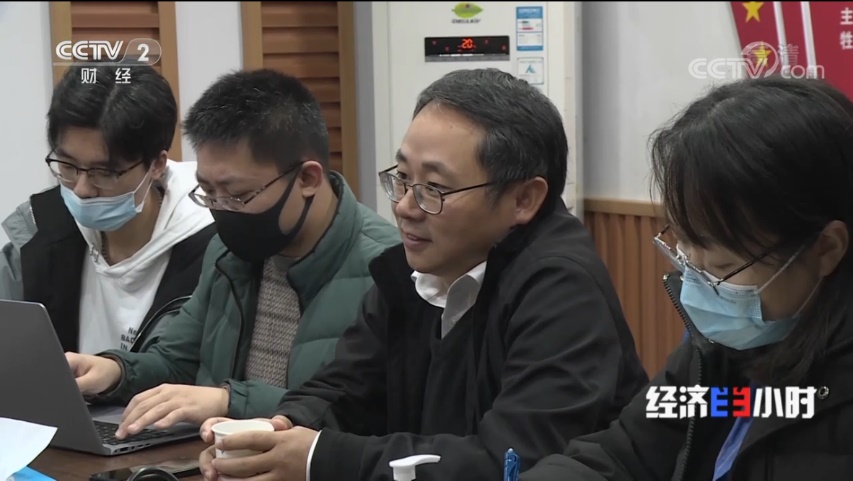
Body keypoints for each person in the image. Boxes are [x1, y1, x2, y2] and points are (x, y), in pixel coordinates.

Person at [197, 68, 650, 481]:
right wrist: (278, 431)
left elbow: (509, 462)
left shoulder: (563, 289)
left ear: (523, 200)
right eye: (402, 178)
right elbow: (346, 388)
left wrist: (319, 457)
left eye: (434, 188)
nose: (404, 207)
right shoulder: (417, 268)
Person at [516, 76, 853, 481]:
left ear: (825, 249)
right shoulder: (718, 350)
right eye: (686, 254)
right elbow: (621, 454)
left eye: (723, 268)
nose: (700, 286)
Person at [62, 69, 402, 440]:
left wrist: (230, 401)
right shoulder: (228, 252)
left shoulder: (388, 270)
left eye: (236, 194)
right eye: (208, 192)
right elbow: (177, 361)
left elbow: (369, 414)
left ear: (307, 179)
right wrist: (115, 372)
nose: (221, 209)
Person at [0, 62, 216, 355]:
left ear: (156, 164)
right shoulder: (39, 233)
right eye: (68, 166)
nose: (82, 189)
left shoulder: (214, 251)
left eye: (104, 173)